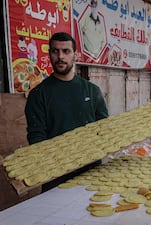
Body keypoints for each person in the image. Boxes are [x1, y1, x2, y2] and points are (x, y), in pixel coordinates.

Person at [25, 32, 109, 191]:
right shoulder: (38, 95)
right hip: (56, 177)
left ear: (74, 55)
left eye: (66, 51)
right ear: (49, 53)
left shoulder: (92, 91)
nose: (60, 57)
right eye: (55, 51)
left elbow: (104, 129)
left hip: (92, 173)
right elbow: (37, 138)